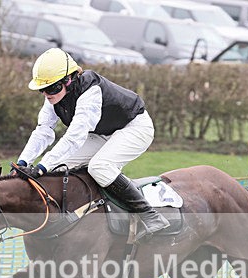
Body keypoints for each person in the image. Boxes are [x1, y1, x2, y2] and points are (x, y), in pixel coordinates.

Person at [13, 47, 169, 241]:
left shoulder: (90, 91)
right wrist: (23, 162)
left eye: (52, 88)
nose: (46, 94)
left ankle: (150, 215)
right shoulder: (53, 98)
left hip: (135, 127)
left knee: (100, 166)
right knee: (60, 168)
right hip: (103, 133)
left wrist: (42, 166)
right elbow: (43, 131)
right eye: (42, 89)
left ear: (69, 81)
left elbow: (75, 137)